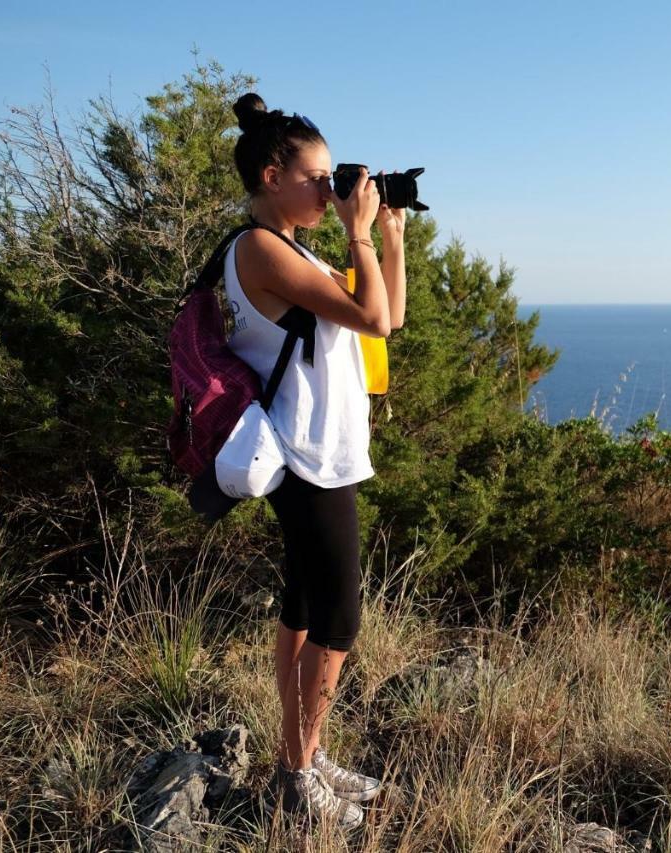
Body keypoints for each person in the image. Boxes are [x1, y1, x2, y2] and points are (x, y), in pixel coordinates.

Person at [225, 92, 406, 830]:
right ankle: (297, 776)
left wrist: (387, 238)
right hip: (306, 455)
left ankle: (304, 750)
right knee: (340, 613)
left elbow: (386, 319)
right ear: (273, 176)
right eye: (318, 177)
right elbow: (365, 315)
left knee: (304, 602)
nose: (330, 191)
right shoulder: (260, 249)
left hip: (325, 450)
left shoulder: (296, 248)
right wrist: (355, 232)